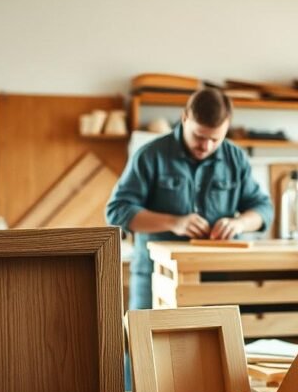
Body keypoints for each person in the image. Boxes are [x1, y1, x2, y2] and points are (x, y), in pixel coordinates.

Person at [106, 87, 274, 310]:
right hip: (156, 276)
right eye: (199, 136)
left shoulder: (235, 158)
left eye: (215, 139)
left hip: (215, 277)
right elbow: (117, 211)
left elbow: (263, 208)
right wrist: (173, 223)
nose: (206, 146)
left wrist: (239, 223)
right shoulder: (150, 155)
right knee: (147, 343)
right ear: (184, 118)